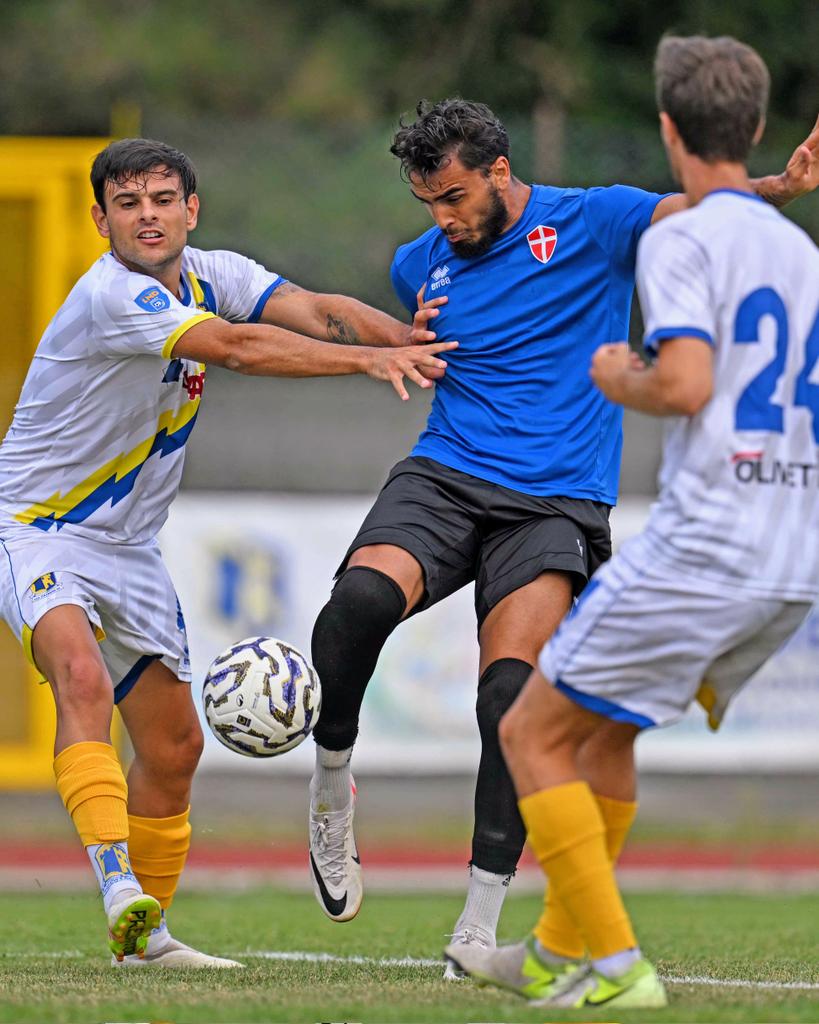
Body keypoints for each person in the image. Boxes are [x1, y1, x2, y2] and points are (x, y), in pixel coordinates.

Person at [304, 90, 819, 966]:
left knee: (508, 698)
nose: (442, 217)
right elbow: (393, 328)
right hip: (445, 474)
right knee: (356, 604)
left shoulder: (592, 219)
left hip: (555, 503)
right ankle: (328, 785)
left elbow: (696, 209)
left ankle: (477, 923)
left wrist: (780, 186)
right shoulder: (418, 264)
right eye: (427, 202)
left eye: (454, 196)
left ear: (500, 171)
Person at [0, 138, 455, 968]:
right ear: (100, 219)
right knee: (81, 678)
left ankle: (145, 943)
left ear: (191, 209)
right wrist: (371, 360)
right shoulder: (112, 296)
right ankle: (117, 886)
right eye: (127, 204)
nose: (147, 216)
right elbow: (239, 348)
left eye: (162, 199)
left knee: (175, 747)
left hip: (128, 546)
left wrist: (410, 337)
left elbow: (313, 309)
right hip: (39, 527)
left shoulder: (216, 273)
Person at [445, 33, 819, 1009]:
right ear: (755, 126)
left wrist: (622, 376)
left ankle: (616, 966)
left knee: (530, 731)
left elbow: (684, 382)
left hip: (708, 546)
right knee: (602, 736)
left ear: (666, 129)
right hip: (791, 554)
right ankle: (551, 951)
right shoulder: (797, 249)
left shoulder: (680, 240)